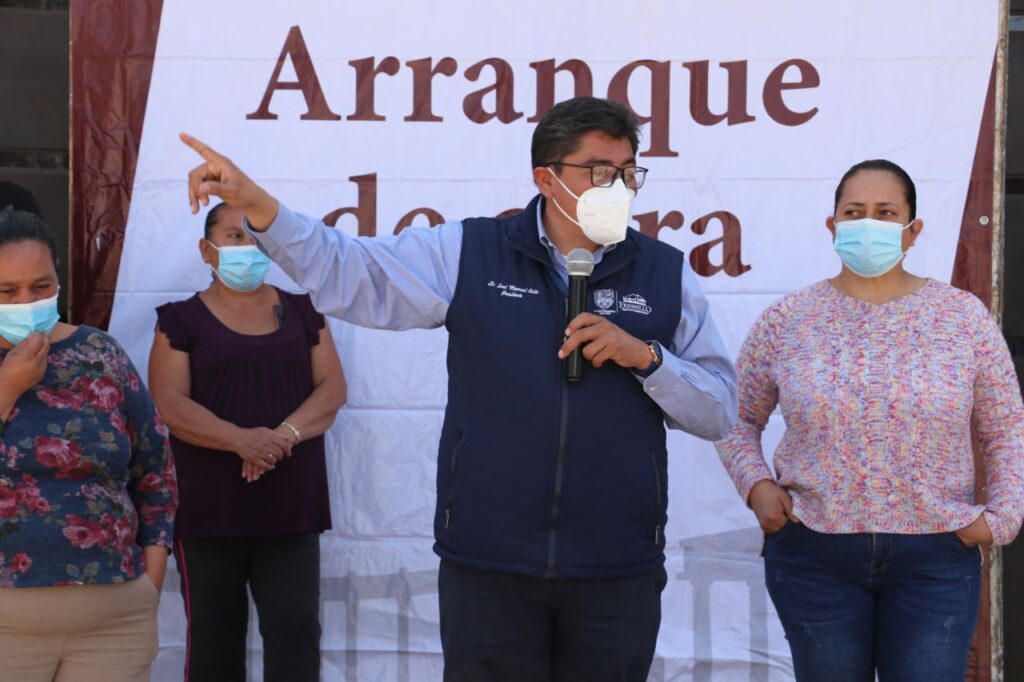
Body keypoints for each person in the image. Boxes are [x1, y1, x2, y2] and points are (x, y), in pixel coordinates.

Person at [180, 96, 738, 682]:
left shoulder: (665, 272)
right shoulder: (471, 252)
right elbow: (349, 272)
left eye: (628, 173)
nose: (617, 187)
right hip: (490, 565)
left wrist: (648, 359)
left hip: (616, 568)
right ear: (545, 178)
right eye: (599, 171)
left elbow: (719, 410)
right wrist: (259, 208)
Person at [715, 159, 1024, 681]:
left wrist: (1002, 517)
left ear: (912, 230)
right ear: (833, 226)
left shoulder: (962, 317)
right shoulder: (789, 320)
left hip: (936, 555)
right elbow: (733, 416)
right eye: (854, 212)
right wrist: (757, 486)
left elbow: (1003, 428)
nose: (868, 224)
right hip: (815, 553)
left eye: (885, 213)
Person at [148, 202, 347, 682]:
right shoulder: (180, 321)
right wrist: (241, 441)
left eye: (256, 237)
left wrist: (278, 439)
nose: (248, 247)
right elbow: (170, 403)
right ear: (206, 249)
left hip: (290, 507)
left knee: (296, 631)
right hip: (208, 510)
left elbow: (332, 391)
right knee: (215, 637)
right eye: (235, 237)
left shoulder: (304, 311)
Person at [0, 208, 177, 682]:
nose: (25, 301)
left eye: (40, 287)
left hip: (114, 622)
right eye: (7, 291)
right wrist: (7, 387)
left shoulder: (100, 353)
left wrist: (151, 578)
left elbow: (155, 469)